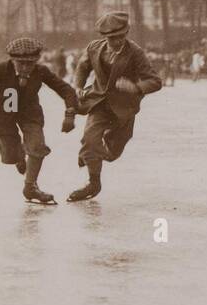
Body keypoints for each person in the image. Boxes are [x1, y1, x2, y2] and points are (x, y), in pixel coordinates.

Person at [0, 36, 78, 204]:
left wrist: (70, 113)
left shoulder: (41, 71)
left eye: (30, 63)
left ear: (36, 61)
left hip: (29, 113)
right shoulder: (1, 69)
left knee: (37, 146)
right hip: (1, 115)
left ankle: (30, 187)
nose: (25, 68)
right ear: (12, 60)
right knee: (11, 156)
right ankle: (19, 155)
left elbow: (66, 89)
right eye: (20, 63)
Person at [67, 11, 164, 202]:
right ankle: (93, 182)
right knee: (90, 140)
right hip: (99, 103)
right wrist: (78, 87)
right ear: (104, 36)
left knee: (112, 153)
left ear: (126, 33)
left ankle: (91, 153)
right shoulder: (94, 48)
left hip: (123, 108)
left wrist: (135, 87)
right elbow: (82, 68)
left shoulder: (135, 52)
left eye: (121, 36)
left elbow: (155, 81)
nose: (117, 41)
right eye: (112, 38)